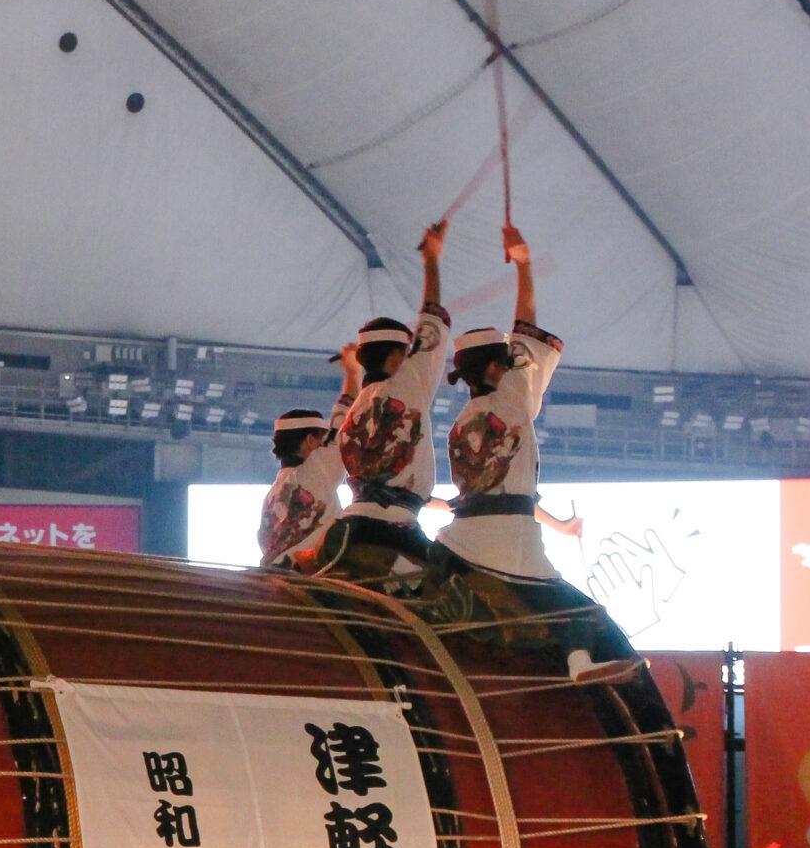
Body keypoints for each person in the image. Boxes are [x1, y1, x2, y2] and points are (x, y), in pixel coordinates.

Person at [423, 224, 634, 684]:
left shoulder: (461, 423)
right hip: (509, 543)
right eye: (509, 360)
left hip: (460, 537)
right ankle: (579, 664)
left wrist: (558, 524)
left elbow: (501, 483)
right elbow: (527, 324)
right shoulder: (512, 398)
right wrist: (524, 264)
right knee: (582, 611)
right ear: (500, 367)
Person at [322, 221, 450, 578]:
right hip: (394, 529)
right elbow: (433, 317)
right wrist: (432, 259)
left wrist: (350, 371)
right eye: (407, 350)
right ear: (397, 357)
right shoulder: (410, 382)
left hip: (350, 526)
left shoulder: (355, 409)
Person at [258, 348, 361, 569]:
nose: (327, 444)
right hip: (308, 579)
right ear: (310, 441)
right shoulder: (315, 473)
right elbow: (345, 417)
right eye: (322, 439)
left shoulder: (272, 495)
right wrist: (353, 371)